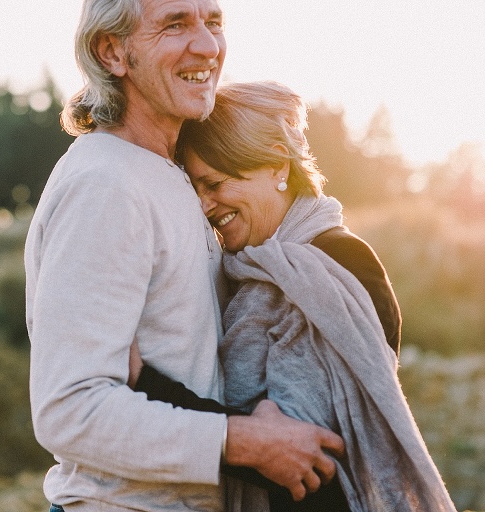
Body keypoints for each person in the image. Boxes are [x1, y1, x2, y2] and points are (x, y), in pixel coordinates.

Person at [25, 1, 347, 510]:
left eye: (213, 22)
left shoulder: (168, 172)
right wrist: (245, 442)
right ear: (112, 52)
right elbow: (70, 409)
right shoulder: (105, 185)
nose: (208, 46)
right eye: (175, 24)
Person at [129, 81, 456, 511]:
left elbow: (301, 446)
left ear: (277, 165)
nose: (204, 206)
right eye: (196, 189)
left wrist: (144, 384)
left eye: (215, 184)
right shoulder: (246, 270)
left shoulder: (338, 263)